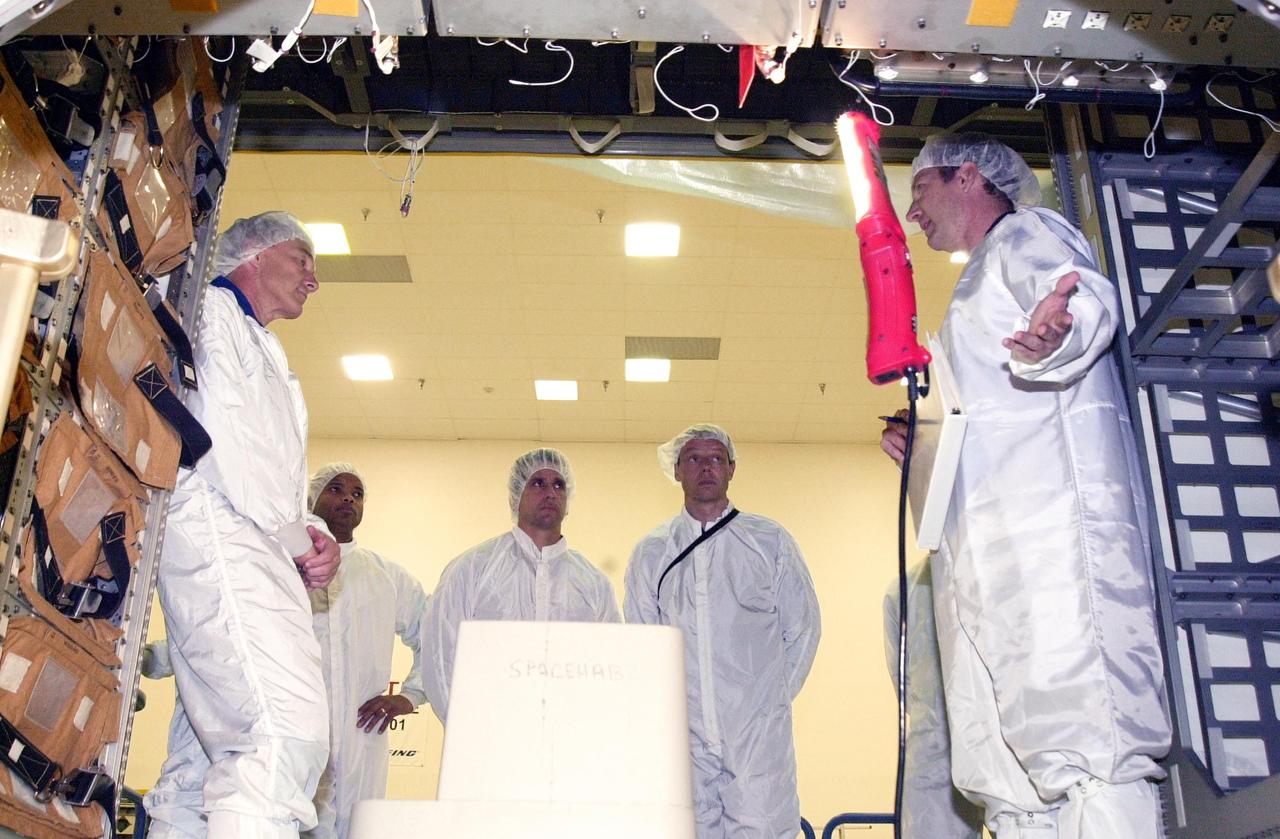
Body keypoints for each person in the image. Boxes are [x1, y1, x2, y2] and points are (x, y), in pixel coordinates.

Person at [880, 134, 1171, 838]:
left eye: (920, 190)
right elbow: (982, 420)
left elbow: (1078, 298)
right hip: (986, 562)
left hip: (1053, 553)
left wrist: (1058, 335)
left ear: (969, 174)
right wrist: (925, 449)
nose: (913, 212)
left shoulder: (1026, 236)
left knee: (1085, 746)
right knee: (1004, 773)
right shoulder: (971, 295)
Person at [146, 212, 340, 839]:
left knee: (201, 760)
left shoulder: (266, 348)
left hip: (255, 548)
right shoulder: (210, 314)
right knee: (281, 735)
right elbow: (224, 445)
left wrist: (315, 534)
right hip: (222, 537)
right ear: (253, 255)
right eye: (302, 259)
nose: (313, 279)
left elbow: (278, 477)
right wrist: (294, 537)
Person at [624, 423, 821, 839]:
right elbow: (643, 643)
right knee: (684, 829)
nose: (706, 467)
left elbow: (803, 629)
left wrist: (766, 701)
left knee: (764, 827)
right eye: (693, 458)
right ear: (677, 470)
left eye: (716, 458)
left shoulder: (769, 542)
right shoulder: (653, 552)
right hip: (684, 736)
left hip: (757, 738)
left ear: (732, 468)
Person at [422, 448, 620, 721]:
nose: (550, 492)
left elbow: (609, 665)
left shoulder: (593, 583)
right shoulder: (471, 569)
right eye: (537, 483)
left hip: (569, 741)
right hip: (487, 739)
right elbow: (440, 658)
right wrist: (467, 731)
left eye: (559, 485)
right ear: (516, 495)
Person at [304, 462, 429, 839]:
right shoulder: (286, 567)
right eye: (336, 489)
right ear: (312, 497)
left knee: (359, 827)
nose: (347, 499)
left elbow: (433, 634)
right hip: (302, 726)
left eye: (357, 494)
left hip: (363, 736)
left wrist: (410, 695)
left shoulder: (386, 577)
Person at [882, 560, 983, 839]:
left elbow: (903, 683)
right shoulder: (902, 592)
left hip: (935, 748)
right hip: (935, 753)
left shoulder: (904, 591)